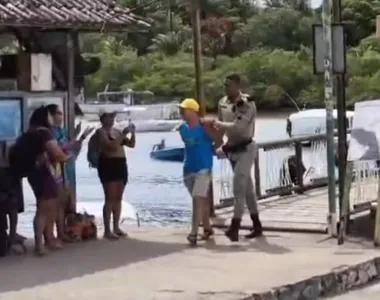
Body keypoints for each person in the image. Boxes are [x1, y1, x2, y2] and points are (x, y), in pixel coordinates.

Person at [9, 106, 70, 255]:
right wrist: (67, 155)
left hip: (33, 173)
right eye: (50, 115)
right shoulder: (44, 133)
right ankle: (40, 245)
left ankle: (48, 240)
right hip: (44, 173)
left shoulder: (29, 133)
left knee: (48, 207)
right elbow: (57, 154)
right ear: (45, 117)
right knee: (44, 209)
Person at [212, 74, 263, 242]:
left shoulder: (247, 103)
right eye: (225, 84)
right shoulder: (222, 102)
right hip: (232, 149)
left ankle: (234, 227)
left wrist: (219, 125)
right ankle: (257, 225)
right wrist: (218, 142)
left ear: (238, 85)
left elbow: (239, 127)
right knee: (248, 190)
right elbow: (220, 124)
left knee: (238, 188)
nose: (227, 87)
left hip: (246, 148)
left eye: (230, 84)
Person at [178, 98, 223, 245]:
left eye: (183, 109)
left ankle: (193, 233)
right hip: (188, 168)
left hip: (203, 168)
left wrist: (211, 129)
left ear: (192, 110)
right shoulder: (182, 128)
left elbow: (219, 139)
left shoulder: (205, 127)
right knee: (200, 201)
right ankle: (208, 228)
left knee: (197, 199)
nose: (181, 112)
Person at [46, 104, 93, 243]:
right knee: (57, 204)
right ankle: (56, 234)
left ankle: (66, 231)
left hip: (69, 170)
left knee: (68, 204)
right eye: (58, 113)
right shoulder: (49, 133)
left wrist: (81, 138)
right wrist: (75, 140)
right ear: (51, 115)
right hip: (57, 171)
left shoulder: (63, 131)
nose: (60, 116)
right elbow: (59, 149)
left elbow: (72, 150)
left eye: (61, 113)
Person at [97, 110, 135, 240]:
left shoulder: (117, 131)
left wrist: (132, 133)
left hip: (120, 164)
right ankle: (107, 230)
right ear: (103, 119)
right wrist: (123, 134)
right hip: (108, 164)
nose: (112, 119)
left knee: (118, 197)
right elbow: (111, 146)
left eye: (113, 116)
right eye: (109, 116)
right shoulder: (101, 132)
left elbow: (131, 144)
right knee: (110, 198)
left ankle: (116, 227)